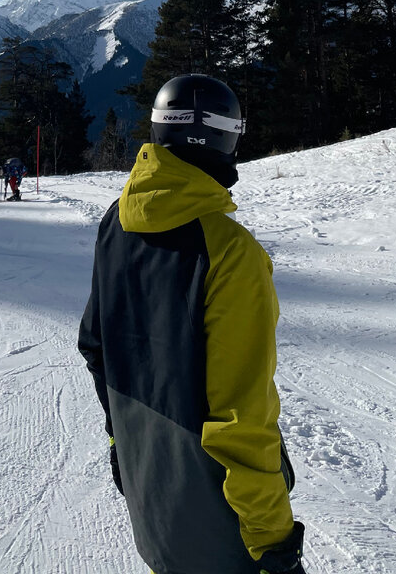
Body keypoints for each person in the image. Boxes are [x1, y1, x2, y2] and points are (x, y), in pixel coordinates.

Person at [77, 74, 305, 574]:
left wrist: (121, 441)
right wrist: (273, 543)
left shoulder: (117, 221)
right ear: (225, 137)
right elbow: (240, 420)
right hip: (217, 528)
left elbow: (96, 346)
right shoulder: (229, 252)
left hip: (151, 500)